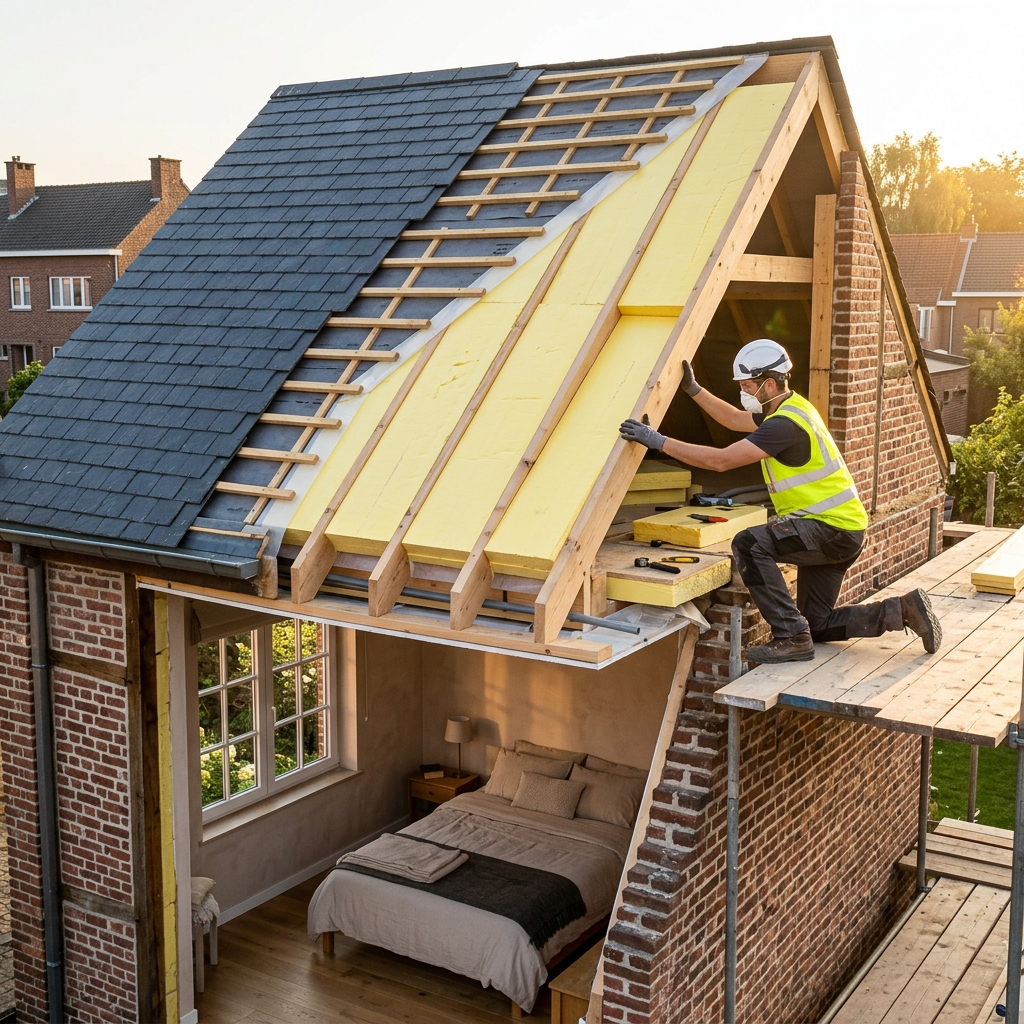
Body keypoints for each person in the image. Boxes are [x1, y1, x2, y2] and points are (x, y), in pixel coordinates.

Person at [618, 339, 941, 663]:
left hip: (830, 529)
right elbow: (732, 418)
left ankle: (790, 636)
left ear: (768, 383)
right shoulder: (790, 408)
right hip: (842, 529)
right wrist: (694, 389)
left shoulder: (783, 426)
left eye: (747, 386)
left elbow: (721, 461)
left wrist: (657, 441)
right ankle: (901, 610)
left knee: (748, 544)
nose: (744, 393)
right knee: (817, 624)